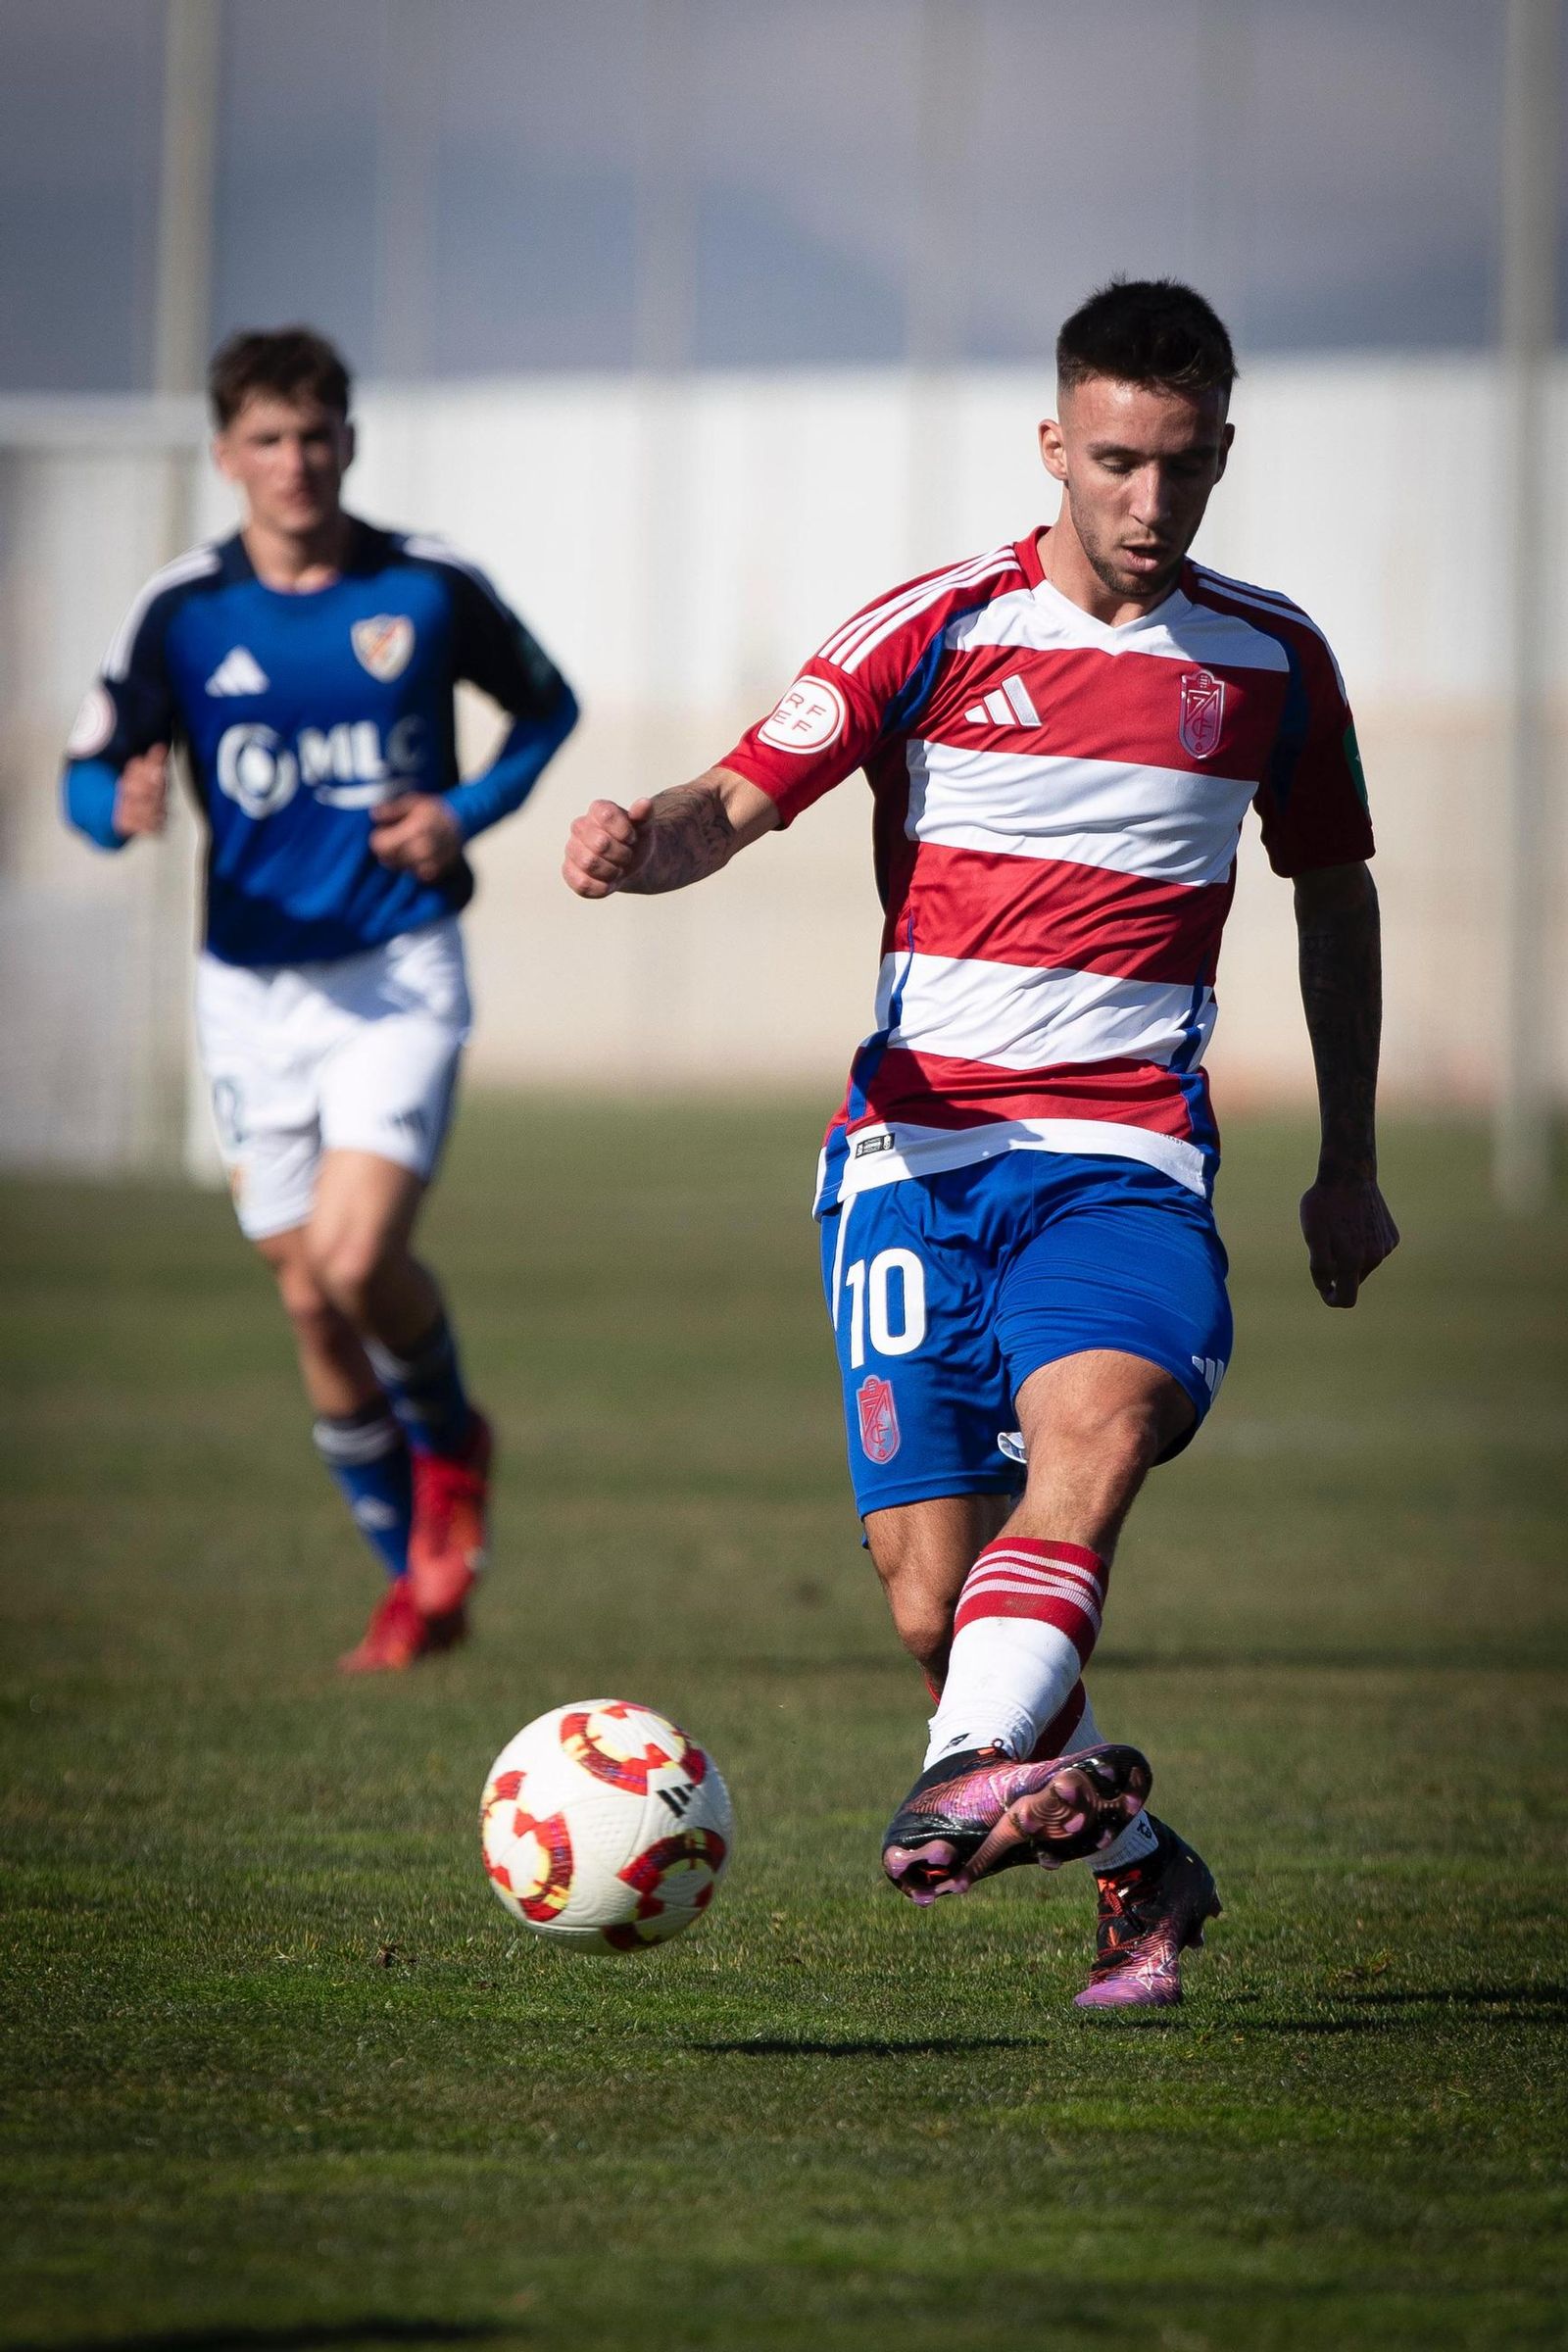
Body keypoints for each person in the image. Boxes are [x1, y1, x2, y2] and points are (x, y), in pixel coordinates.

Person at [563, 278, 1397, 2008]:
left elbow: (1335, 895)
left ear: (1222, 453)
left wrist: (1349, 1157)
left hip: (1125, 1157)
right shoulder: (936, 625)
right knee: (934, 1608)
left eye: (1182, 464)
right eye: (1115, 461)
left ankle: (960, 1777)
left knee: (1095, 1433)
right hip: (911, 1161)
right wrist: (639, 841)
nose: (1149, 502)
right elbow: (734, 799)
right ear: (1053, 447)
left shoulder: (1272, 661)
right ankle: (1140, 1862)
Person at [63, 325, 578, 1673]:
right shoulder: (182, 611)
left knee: (353, 1263)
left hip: (396, 970)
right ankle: (413, 1575)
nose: (295, 461)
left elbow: (547, 710)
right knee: (305, 1298)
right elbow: (88, 772)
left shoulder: (427, 585)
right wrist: (117, 808)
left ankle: (453, 1445)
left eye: (315, 434)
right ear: (225, 454)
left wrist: (462, 811)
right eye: (268, 439)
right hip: (247, 991)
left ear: (349, 440)